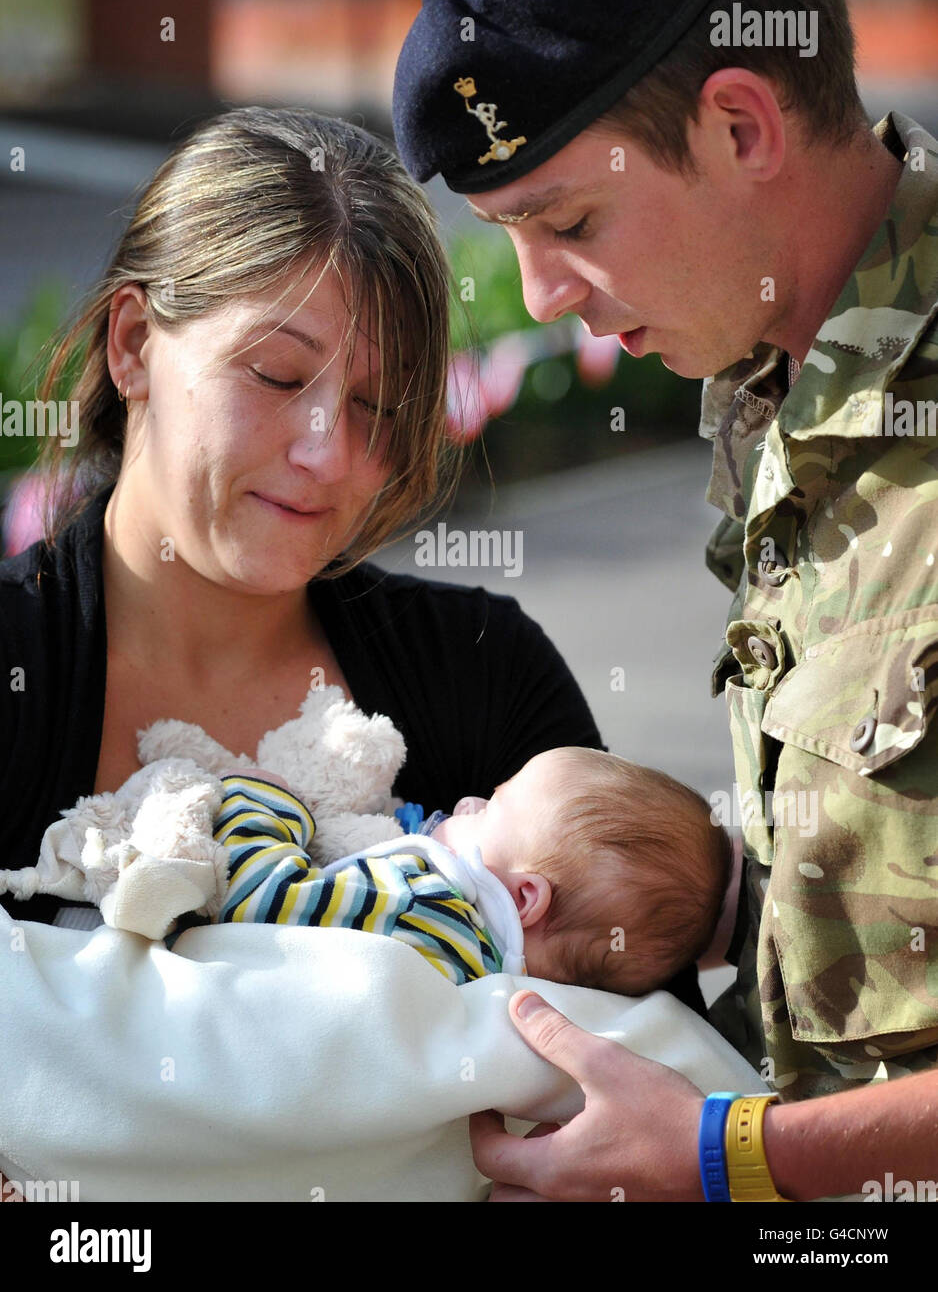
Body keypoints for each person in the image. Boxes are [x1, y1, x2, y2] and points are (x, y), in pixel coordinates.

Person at [4, 104, 703, 1200]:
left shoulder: (480, 672)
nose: (327, 453)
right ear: (132, 342)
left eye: (378, 408)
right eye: (277, 378)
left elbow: (630, 1074)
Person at [391, 0, 938, 1199]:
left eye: (567, 223)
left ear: (740, 126)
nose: (537, 298)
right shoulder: (783, 385)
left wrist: (727, 1157)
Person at [3, 744, 733, 993]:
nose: (469, 799)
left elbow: (266, 905)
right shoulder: (485, 960)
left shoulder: (429, 904)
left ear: (528, 897)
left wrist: (264, 804)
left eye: (494, 806)